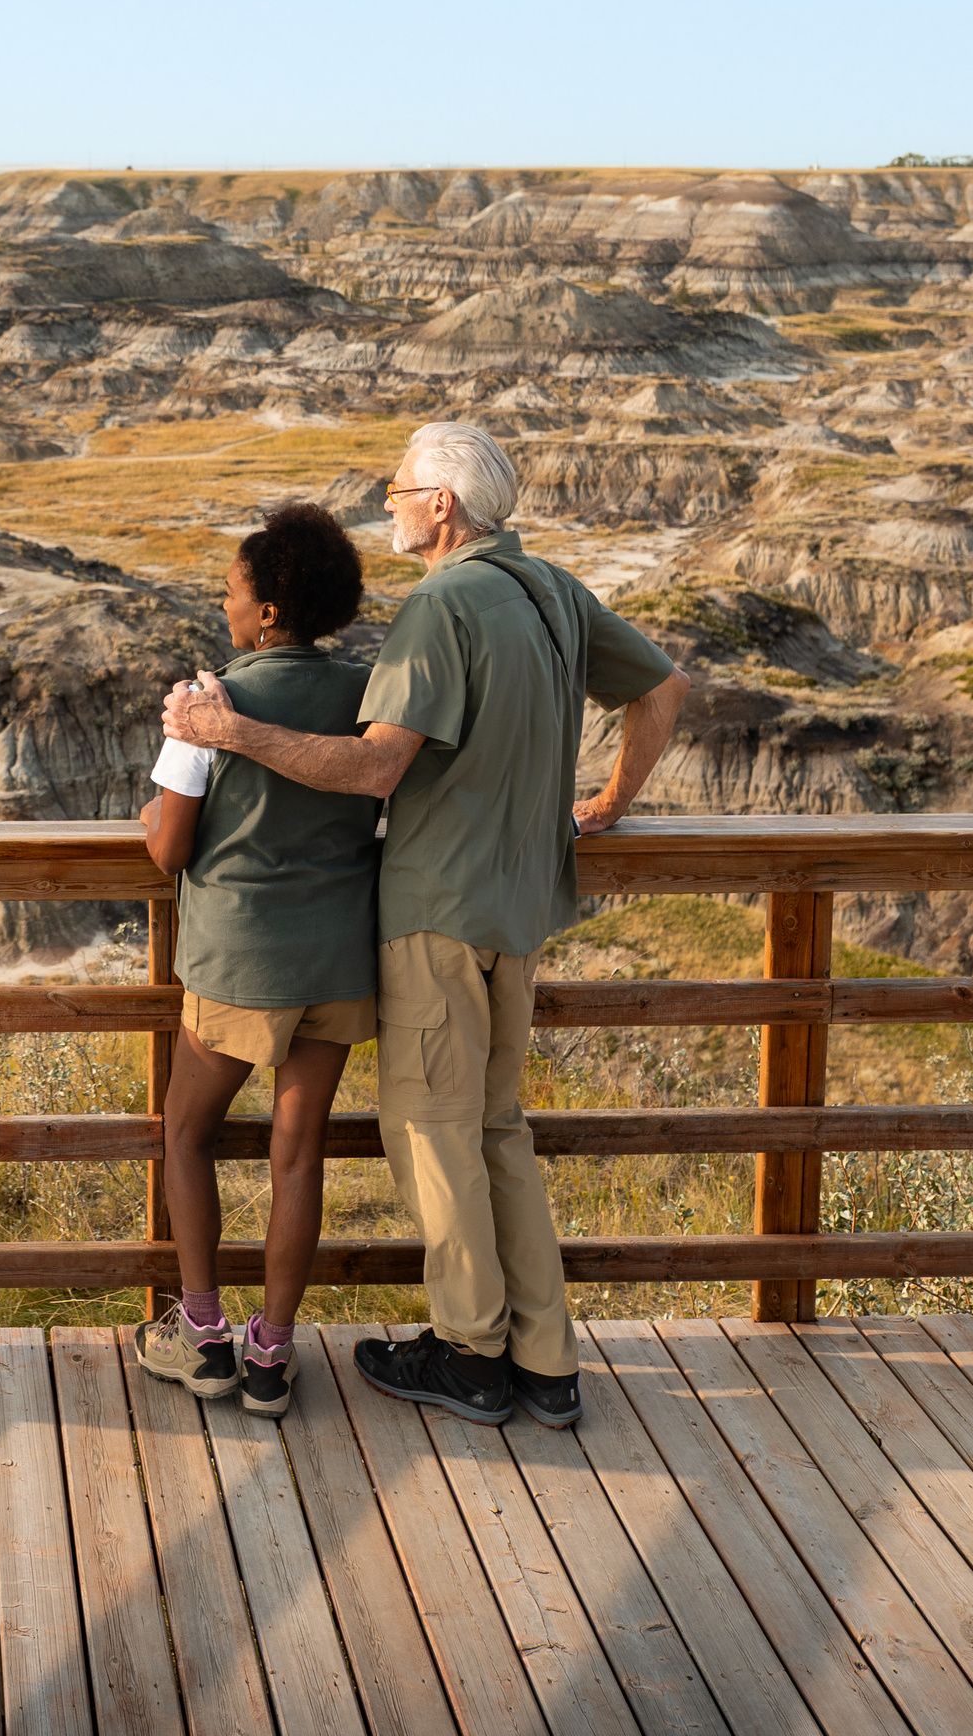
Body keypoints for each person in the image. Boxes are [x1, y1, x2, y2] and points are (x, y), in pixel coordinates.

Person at [163, 420, 687, 1427]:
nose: (391, 505)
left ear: (442, 505)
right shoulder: (553, 590)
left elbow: (373, 767)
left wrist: (228, 731)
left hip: (439, 913)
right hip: (524, 904)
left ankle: (472, 1354)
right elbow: (663, 688)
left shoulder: (444, 604)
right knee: (498, 1131)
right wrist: (610, 802)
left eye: (399, 490)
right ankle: (546, 1360)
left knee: (433, 1135)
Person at [130, 504, 381, 1420]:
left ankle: (203, 1339)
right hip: (338, 958)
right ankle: (272, 1357)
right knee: (298, 1153)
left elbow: (170, 852)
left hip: (238, 958)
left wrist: (153, 814)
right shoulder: (371, 696)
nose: (225, 605)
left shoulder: (209, 704)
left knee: (187, 1132)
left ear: (270, 611)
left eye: (234, 591)